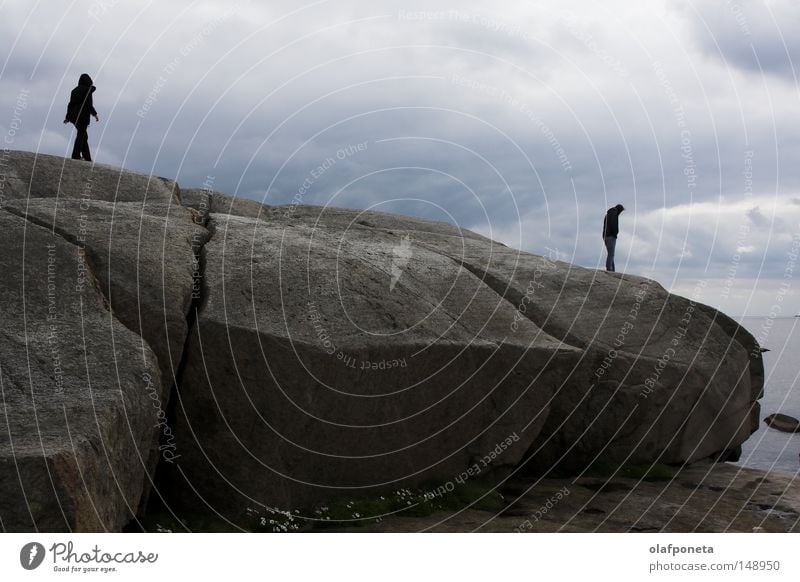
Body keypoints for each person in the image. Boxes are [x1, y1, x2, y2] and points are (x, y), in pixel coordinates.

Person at [63, 73, 99, 161]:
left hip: (74, 117)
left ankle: (87, 158)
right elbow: (88, 104)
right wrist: (95, 114)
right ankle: (76, 155)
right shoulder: (88, 90)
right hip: (82, 117)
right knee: (81, 135)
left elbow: (70, 104)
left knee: (83, 135)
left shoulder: (74, 91)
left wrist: (68, 117)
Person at [602, 204, 625, 272]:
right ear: (619, 210)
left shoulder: (607, 214)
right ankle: (609, 269)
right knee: (611, 254)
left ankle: (612, 270)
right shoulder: (614, 214)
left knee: (610, 254)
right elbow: (613, 225)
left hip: (605, 236)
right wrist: (615, 234)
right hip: (611, 236)